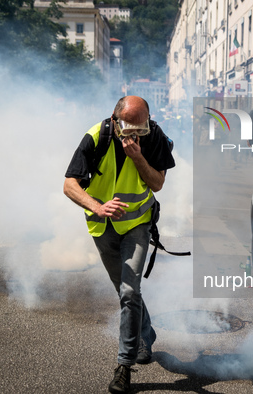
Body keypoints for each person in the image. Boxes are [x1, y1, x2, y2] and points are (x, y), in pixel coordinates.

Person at [63, 96, 175, 393]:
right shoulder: (96, 136)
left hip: (137, 225)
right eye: (129, 130)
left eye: (142, 129)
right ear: (115, 121)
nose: (135, 135)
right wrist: (97, 206)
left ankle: (124, 366)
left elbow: (158, 184)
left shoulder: (154, 136)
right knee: (126, 290)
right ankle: (146, 334)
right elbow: (69, 184)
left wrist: (138, 156)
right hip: (103, 226)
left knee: (129, 290)